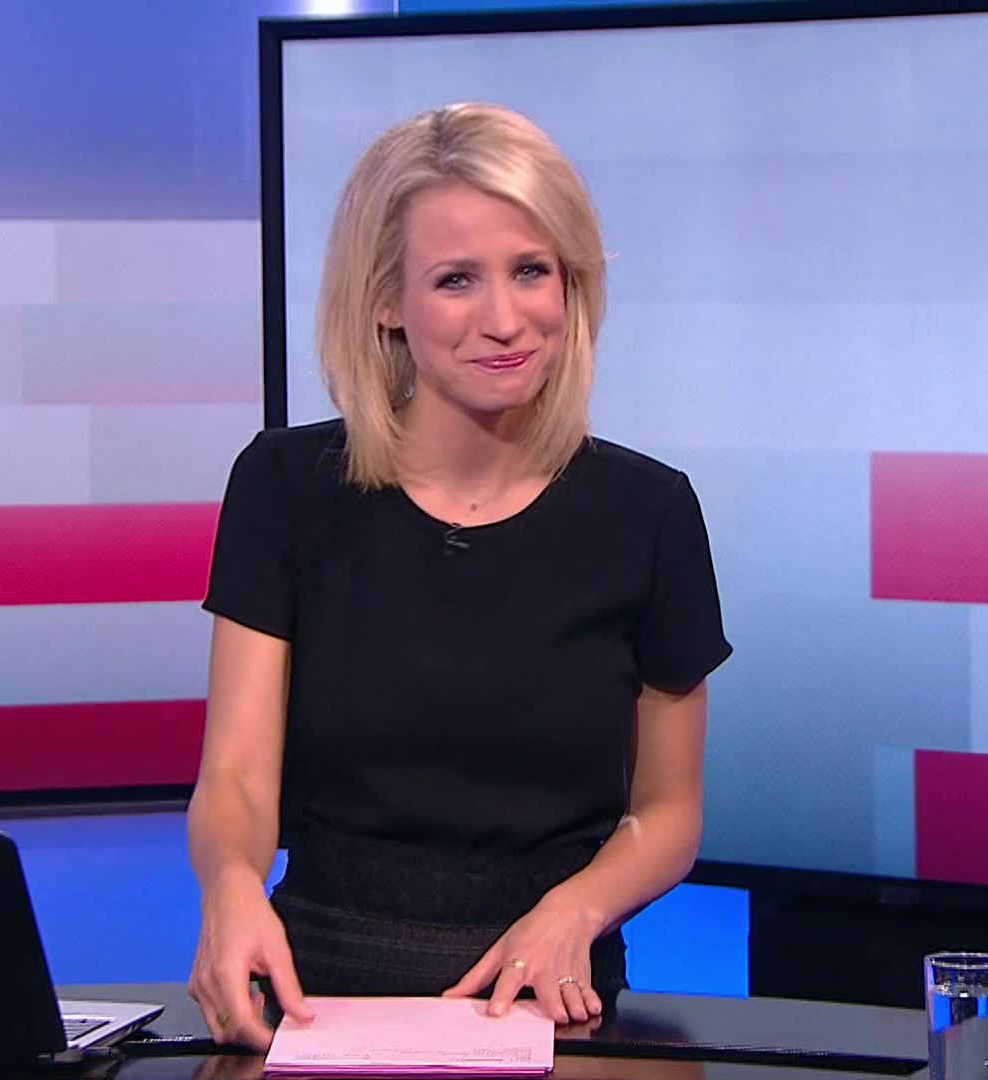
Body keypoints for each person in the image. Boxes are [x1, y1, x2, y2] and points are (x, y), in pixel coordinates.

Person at [186, 103, 731, 1050]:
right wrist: (231, 887)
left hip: (554, 1001)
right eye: (455, 280)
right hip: (317, 996)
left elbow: (668, 811)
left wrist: (576, 910)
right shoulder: (284, 487)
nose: (505, 320)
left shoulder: (649, 514)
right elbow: (234, 776)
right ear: (385, 301)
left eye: (532, 270)